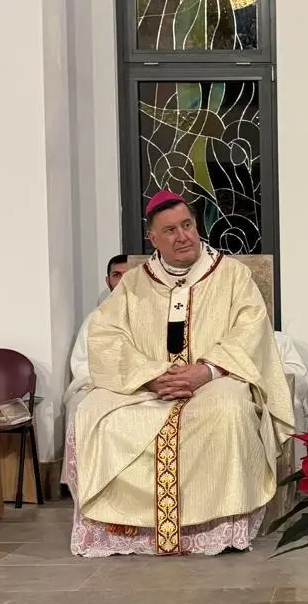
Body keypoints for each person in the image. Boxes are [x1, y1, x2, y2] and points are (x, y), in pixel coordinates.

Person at [66, 191, 294, 557]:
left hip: (215, 380)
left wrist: (207, 370)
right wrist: (149, 376)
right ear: (153, 238)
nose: (183, 236)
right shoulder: (133, 284)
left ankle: (217, 527)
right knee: (91, 412)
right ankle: (125, 527)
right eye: (170, 230)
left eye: (187, 225)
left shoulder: (232, 276)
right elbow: (107, 337)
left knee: (230, 409)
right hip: (147, 387)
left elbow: (251, 330)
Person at [59, 254, 130, 485]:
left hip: (138, 385)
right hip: (98, 383)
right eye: (116, 275)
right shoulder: (95, 319)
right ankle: (82, 482)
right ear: (107, 281)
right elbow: (81, 363)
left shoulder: (154, 314)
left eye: (128, 274)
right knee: (78, 404)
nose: (122, 280)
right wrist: (104, 381)